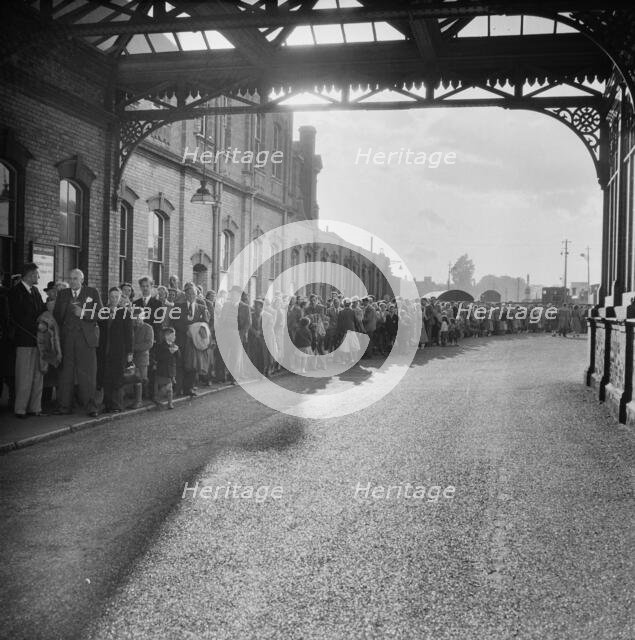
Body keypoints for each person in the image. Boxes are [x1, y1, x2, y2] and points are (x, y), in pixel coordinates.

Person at [53, 268, 102, 416]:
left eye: (75, 278)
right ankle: (64, 407)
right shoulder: (63, 294)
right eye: (70, 278)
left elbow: (100, 313)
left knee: (87, 375)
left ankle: (91, 407)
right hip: (67, 339)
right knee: (66, 374)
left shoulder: (92, 292)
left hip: (85, 340)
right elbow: (57, 316)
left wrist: (84, 313)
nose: (72, 281)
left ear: (82, 279)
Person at [8, 262, 46, 418]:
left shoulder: (36, 291)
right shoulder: (15, 292)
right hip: (24, 340)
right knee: (24, 376)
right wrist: (37, 327)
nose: (38, 276)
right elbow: (17, 317)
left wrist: (44, 322)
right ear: (30, 275)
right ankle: (20, 409)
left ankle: (35, 408)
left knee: (38, 375)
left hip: (38, 341)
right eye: (37, 274)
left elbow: (42, 310)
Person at [97, 287, 133, 413]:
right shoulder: (103, 311)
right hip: (104, 350)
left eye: (116, 297)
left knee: (117, 378)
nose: (114, 299)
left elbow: (129, 335)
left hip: (119, 351)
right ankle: (107, 404)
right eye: (111, 296)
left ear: (120, 298)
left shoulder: (125, 313)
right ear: (108, 297)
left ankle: (117, 405)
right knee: (106, 377)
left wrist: (129, 353)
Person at [174, 281, 209, 396]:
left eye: (193, 293)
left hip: (195, 341)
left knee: (193, 365)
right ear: (185, 295)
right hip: (182, 339)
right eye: (188, 293)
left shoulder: (202, 307)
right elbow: (176, 322)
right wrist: (187, 329)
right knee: (181, 364)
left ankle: (189, 388)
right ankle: (179, 388)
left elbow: (205, 323)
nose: (191, 296)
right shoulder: (178, 307)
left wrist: (196, 330)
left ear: (196, 294)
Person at [154, 326, 180, 409]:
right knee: (169, 386)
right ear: (166, 336)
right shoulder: (160, 345)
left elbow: (179, 357)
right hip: (163, 370)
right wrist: (169, 352)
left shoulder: (174, 345)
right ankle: (157, 397)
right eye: (173, 335)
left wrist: (177, 351)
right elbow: (159, 357)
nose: (174, 337)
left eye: (174, 335)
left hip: (171, 370)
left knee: (170, 388)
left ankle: (170, 403)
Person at [132, 313, 154, 408]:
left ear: (143, 317)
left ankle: (140, 401)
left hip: (142, 357)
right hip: (132, 358)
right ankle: (140, 398)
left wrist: (133, 348)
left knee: (141, 378)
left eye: (139, 317)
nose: (137, 319)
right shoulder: (132, 327)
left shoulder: (148, 328)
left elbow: (149, 344)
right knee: (135, 378)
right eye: (135, 317)